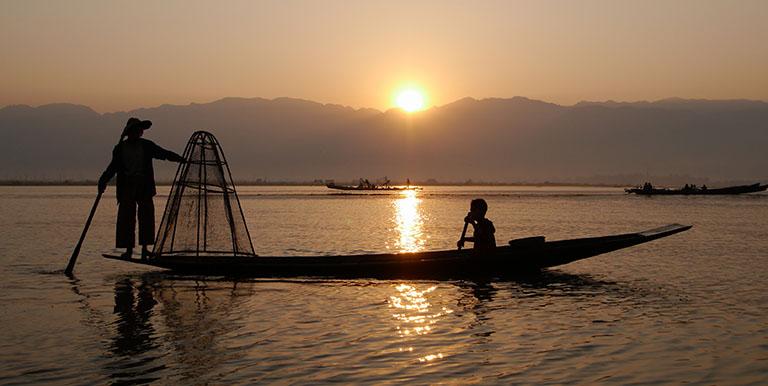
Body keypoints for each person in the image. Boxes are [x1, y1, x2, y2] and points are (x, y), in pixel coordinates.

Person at [98, 118, 185, 260]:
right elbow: (112, 168)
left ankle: (145, 249)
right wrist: (103, 181)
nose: (138, 133)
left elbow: (163, 153)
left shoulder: (146, 146)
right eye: (135, 130)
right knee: (126, 217)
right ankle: (128, 250)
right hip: (127, 186)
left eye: (139, 130)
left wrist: (180, 159)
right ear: (129, 133)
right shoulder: (120, 148)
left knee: (146, 217)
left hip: (144, 185)